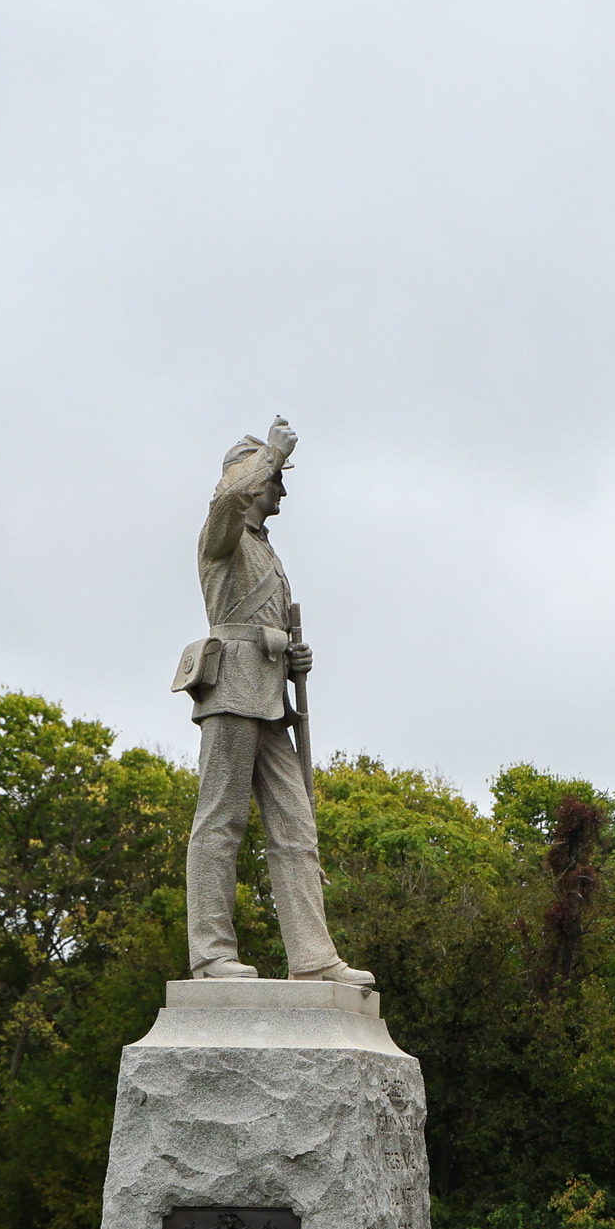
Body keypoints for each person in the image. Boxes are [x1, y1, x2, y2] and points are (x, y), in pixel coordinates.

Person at [174, 417, 372, 985]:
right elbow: (230, 498)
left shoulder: (267, 550)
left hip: (270, 698)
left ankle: (312, 958)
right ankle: (211, 955)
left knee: (296, 827)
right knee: (220, 823)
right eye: (276, 477)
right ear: (252, 477)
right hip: (231, 691)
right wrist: (271, 453)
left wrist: (291, 657)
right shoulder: (223, 532)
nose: (281, 487)